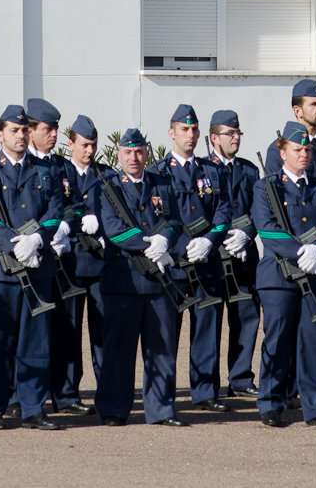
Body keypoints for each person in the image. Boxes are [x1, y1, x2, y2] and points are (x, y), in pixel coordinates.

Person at [0, 104, 68, 431]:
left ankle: (32, 408)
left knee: (36, 341)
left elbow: (55, 209)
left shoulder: (44, 170)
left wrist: (37, 239)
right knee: (0, 342)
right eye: (14, 130)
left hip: (38, 265)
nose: (21, 135)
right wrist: (15, 244)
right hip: (2, 270)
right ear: (0, 134)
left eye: (25, 130)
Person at [253, 123, 316, 429]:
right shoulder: (266, 187)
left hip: (314, 275)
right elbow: (267, 228)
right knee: (278, 340)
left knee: (313, 342)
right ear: (282, 152)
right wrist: (298, 251)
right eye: (297, 150)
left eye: (307, 149)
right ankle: (271, 403)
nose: (304, 154)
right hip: (279, 277)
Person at [94, 129, 187, 427]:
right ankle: (113, 409)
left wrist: (166, 239)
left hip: (159, 280)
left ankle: (161, 409)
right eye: (127, 152)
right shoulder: (108, 187)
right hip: (124, 279)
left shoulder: (161, 183)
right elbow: (113, 228)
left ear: (146, 154)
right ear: (119, 155)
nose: (134, 158)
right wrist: (151, 242)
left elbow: (174, 220)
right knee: (119, 349)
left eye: (139, 152)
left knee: (162, 348)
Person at [158, 104, 230, 412]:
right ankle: (166, 394)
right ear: (171, 133)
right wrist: (187, 242)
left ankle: (204, 393)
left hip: (206, 263)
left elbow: (225, 210)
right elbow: (157, 215)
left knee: (207, 330)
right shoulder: (158, 173)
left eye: (194, 129)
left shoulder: (211, 170)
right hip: (175, 265)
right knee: (167, 334)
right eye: (184, 130)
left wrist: (210, 241)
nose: (191, 135)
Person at [26, 98, 92, 416]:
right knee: (31, 330)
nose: (52, 134)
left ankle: (65, 393)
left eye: (55, 129)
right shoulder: (20, 164)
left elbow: (76, 204)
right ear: (30, 130)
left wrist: (66, 225)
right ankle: (21, 396)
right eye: (47, 128)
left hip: (61, 259)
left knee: (67, 328)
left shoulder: (62, 167)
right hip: (28, 257)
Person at [203, 110, 259, 399]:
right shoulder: (203, 169)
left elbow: (260, 209)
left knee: (247, 317)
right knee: (210, 320)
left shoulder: (249, 170)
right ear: (214, 138)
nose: (236, 138)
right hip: (213, 255)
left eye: (238, 133)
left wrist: (247, 232)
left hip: (244, 256)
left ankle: (240, 378)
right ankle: (208, 384)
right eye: (230, 133)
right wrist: (221, 237)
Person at [61, 114, 109, 400]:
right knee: (70, 330)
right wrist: (78, 222)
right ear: (71, 144)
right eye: (84, 145)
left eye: (93, 145)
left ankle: (107, 389)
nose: (89, 151)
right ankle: (67, 394)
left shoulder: (105, 175)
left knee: (103, 330)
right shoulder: (59, 174)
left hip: (100, 261)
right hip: (72, 262)